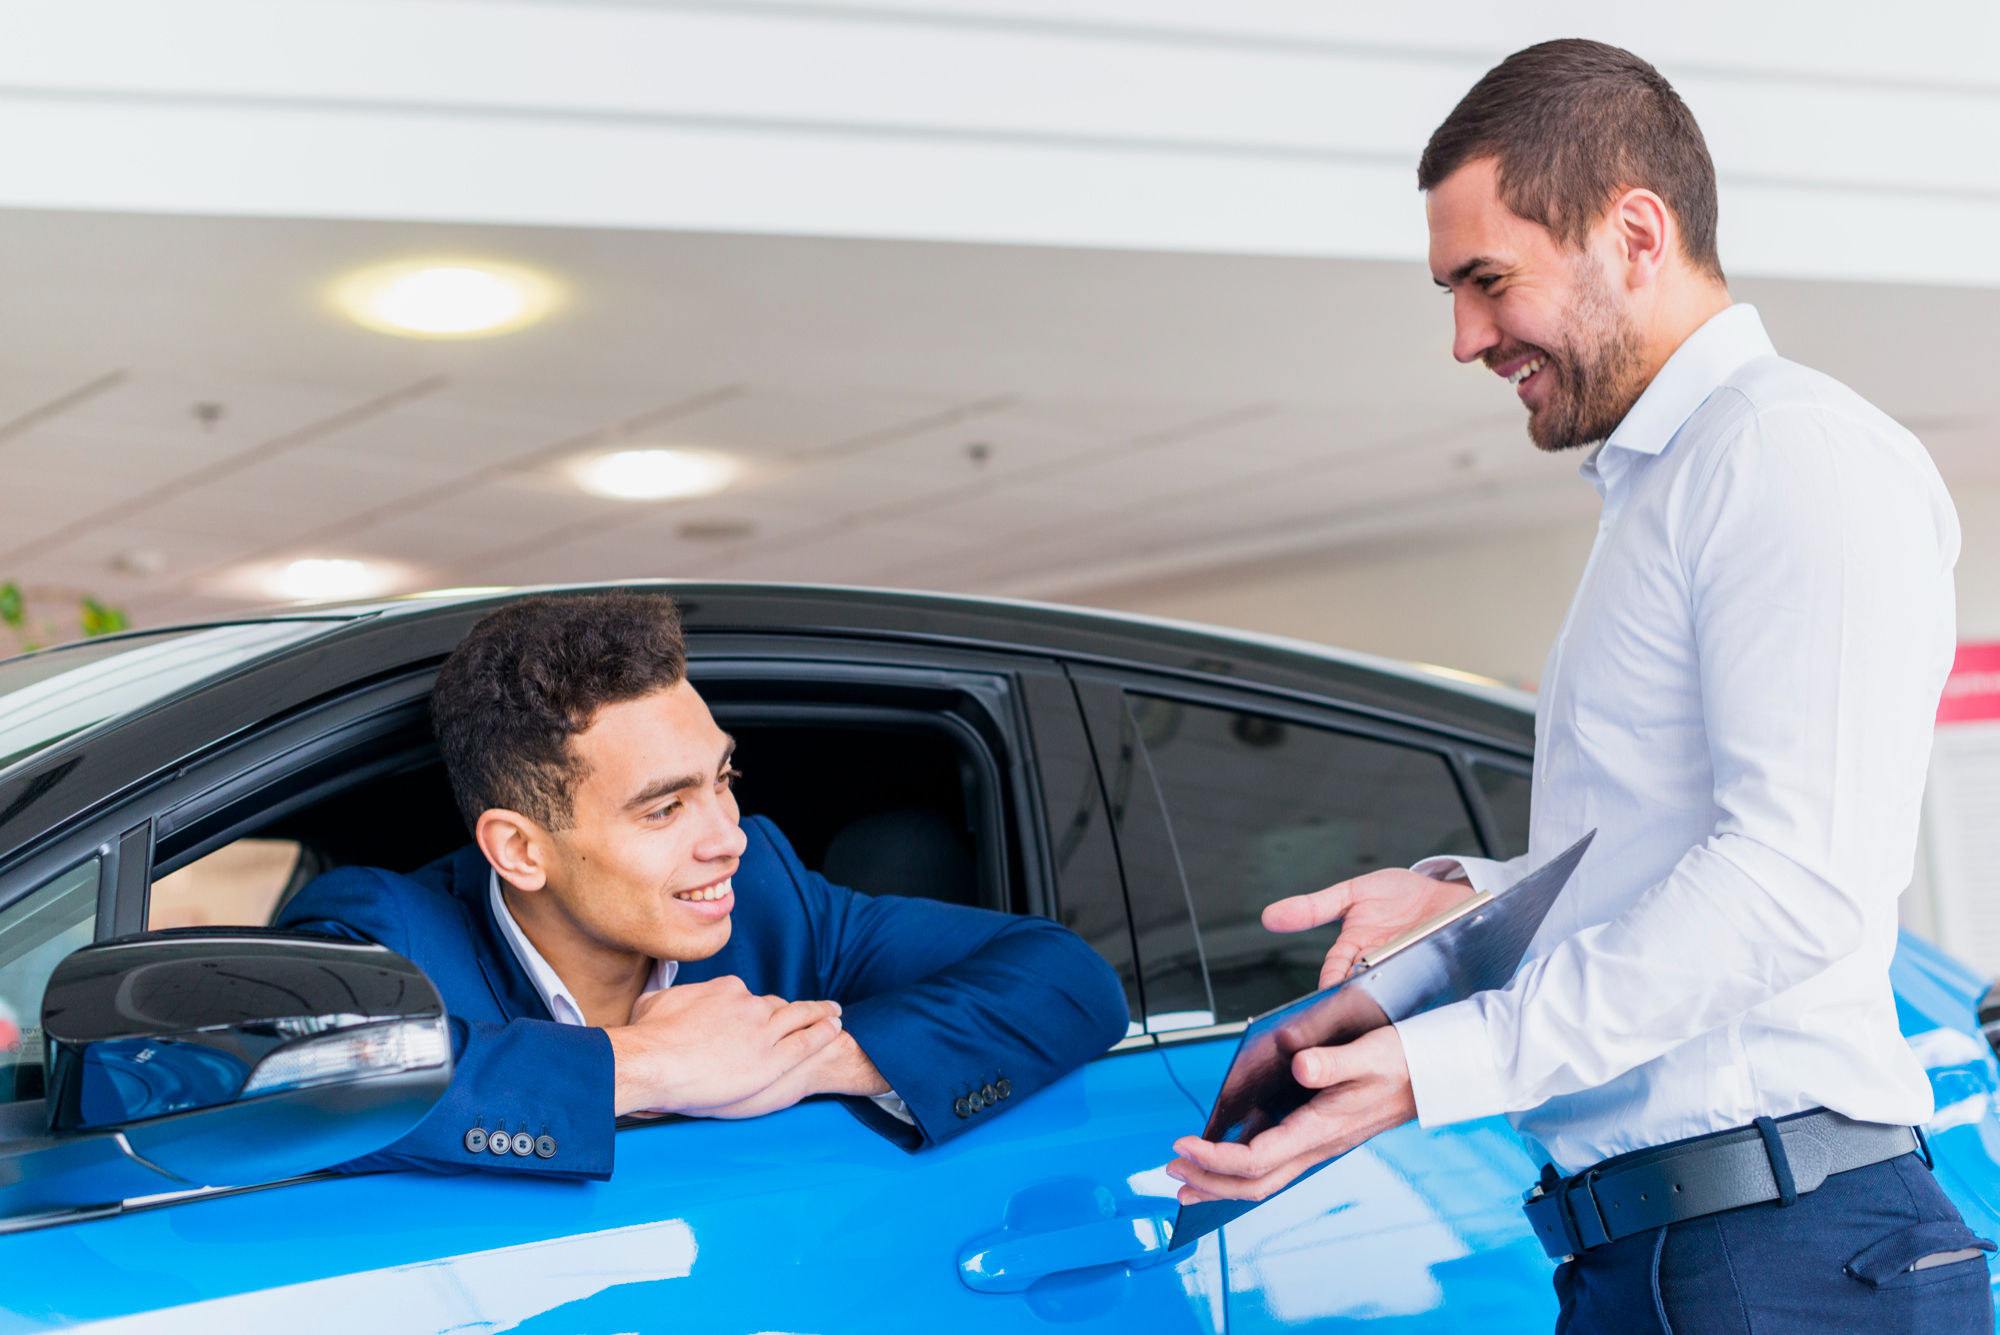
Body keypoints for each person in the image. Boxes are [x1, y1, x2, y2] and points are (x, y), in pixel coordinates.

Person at [1166, 38, 1992, 1332]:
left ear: (1637, 231)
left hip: (1780, 1256)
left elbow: (1792, 878)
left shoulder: (1788, 456)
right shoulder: (1670, 486)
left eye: (1489, 281)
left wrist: (1430, 1068)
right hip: (1678, 1251)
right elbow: (1679, 861)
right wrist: (1465, 899)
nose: (1463, 337)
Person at [278, 591, 1128, 1178]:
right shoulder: (393, 931)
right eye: (663, 809)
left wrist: (807, 1058)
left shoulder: (772, 898)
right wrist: (647, 1066)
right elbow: (288, 1075)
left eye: (722, 778)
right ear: (519, 849)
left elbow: (1072, 981)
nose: (727, 838)